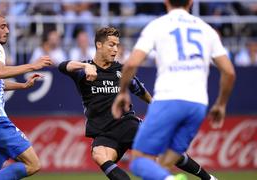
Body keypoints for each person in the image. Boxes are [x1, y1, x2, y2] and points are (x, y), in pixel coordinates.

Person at [59, 27, 219, 180]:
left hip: (126, 124)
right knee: (99, 154)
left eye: (117, 45)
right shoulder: (84, 71)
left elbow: (139, 90)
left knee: (166, 147)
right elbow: (62, 66)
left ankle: (208, 178)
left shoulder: (121, 70)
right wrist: (85, 65)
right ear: (99, 45)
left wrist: (155, 104)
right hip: (103, 132)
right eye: (111, 45)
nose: (115, 49)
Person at [112, 1, 236, 180]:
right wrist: (221, 104)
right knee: (162, 165)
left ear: (166, 1)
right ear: (191, 2)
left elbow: (131, 63)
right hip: (197, 105)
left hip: (169, 99)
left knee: (139, 163)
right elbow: (229, 72)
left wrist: (123, 92)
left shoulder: (158, 25)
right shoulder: (206, 29)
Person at [0, 12, 53, 180]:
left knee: (0, 153)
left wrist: (22, 85)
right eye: (3, 26)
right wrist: (33, 65)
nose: (7, 30)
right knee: (33, 164)